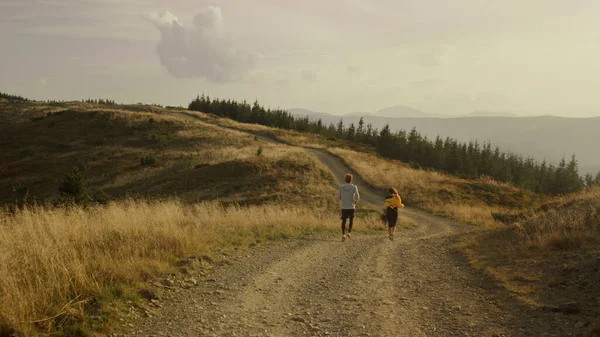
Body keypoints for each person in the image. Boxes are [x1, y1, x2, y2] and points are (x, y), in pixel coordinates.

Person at [339, 173, 360, 242]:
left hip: (344, 206)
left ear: (345, 179)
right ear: (351, 180)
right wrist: (355, 201)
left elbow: (339, 197)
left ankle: (343, 235)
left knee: (344, 221)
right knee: (351, 220)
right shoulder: (354, 187)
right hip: (351, 206)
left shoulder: (341, 187)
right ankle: (349, 233)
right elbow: (357, 196)